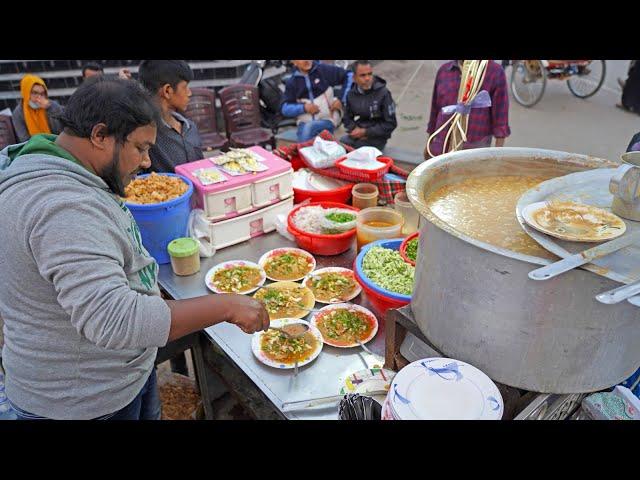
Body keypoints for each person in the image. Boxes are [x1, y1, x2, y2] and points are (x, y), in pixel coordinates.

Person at [0, 76, 269, 420]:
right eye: (141, 148)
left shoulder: (65, 167)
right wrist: (226, 306)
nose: (146, 162)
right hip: (82, 402)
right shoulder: (63, 206)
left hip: (117, 377)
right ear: (99, 135)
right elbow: (115, 319)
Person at [424, 60, 511, 160]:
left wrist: (497, 158)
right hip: (441, 147)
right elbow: (435, 111)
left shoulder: (495, 73)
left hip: (474, 152)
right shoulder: (444, 71)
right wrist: (428, 143)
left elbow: (500, 120)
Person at [137, 60, 204, 173]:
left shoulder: (190, 128)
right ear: (167, 91)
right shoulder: (147, 136)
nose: (189, 93)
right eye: (185, 87)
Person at [281, 60, 353, 142]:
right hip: (304, 123)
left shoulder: (323, 70)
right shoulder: (292, 82)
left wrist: (341, 99)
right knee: (306, 136)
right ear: (294, 62)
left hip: (327, 119)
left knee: (309, 129)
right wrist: (304, 108)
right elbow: (285, 109)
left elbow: (350, 75)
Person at [340, 60, 397, 151]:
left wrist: (366, 132)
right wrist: (354, 129)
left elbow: (390, 123)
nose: (367, 78)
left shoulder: (383, 93)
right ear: (354, 78)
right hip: (358, 132)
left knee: (358, 152)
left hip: (378, 137)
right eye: (363, 75)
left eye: (369, 74)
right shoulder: (351, 94)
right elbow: (346, 118)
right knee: (340, 145)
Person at [11, 74, 65, 142]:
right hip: (33, 148)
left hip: (55, 144)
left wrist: (50, 108)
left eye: (42, 93)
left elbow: (60, 131)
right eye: (35, 93)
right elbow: (24, 139)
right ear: (26, 93)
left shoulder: (52, 106)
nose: (39, 97)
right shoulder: (18, 113)